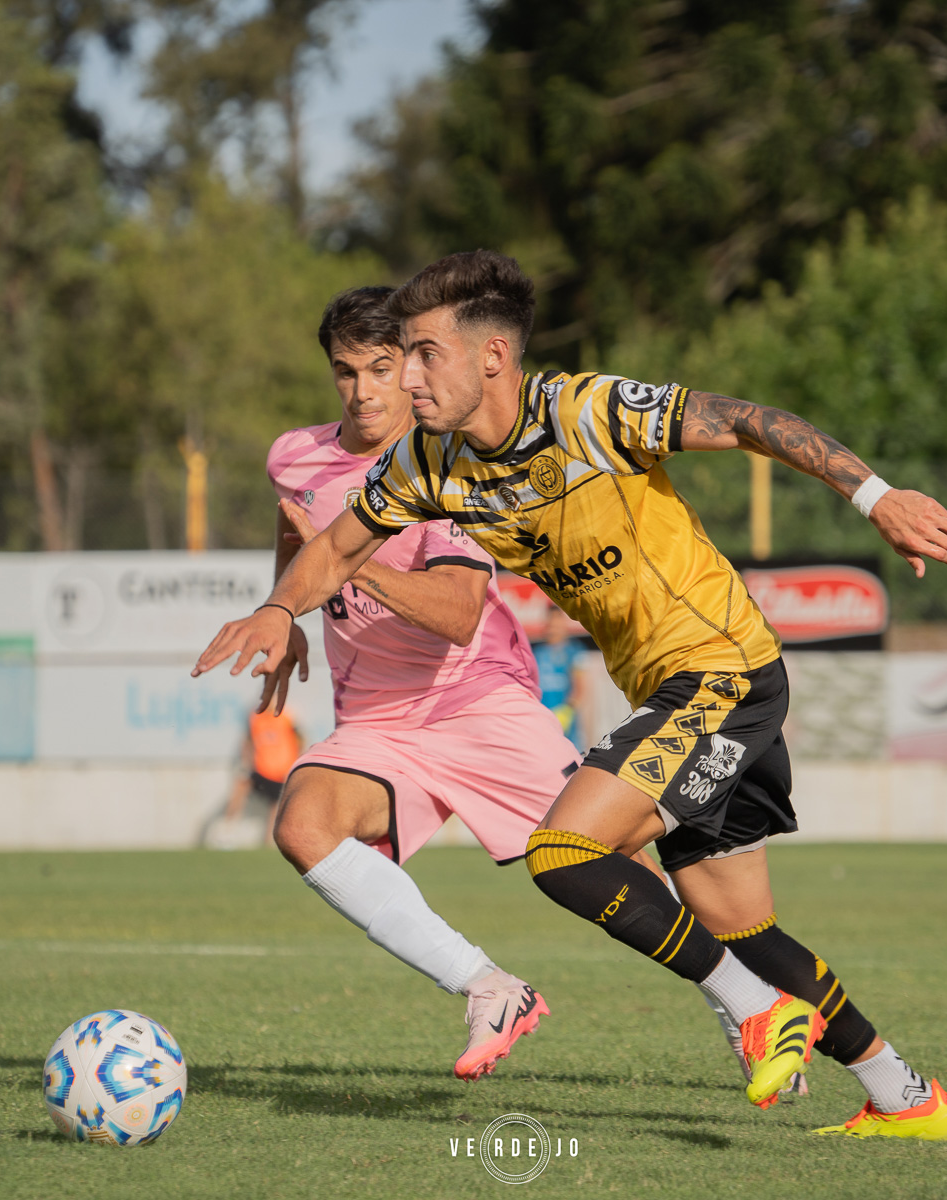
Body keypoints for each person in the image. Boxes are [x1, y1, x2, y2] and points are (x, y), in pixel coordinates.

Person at [197, 250, 947, 1136]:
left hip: (723, 673)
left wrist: (874, 496)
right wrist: (279, 607)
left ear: (490, 357)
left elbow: (750, 420)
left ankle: (755, 1012)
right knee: (742, 926)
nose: (406, 376)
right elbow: (333, 549)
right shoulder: (429, 464)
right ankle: (905, 1095)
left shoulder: (590, 411)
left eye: (421, 353)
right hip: (672, 688)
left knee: (562, 853)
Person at [253, 285, 579, 1081]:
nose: (363, 392)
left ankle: (751, 1006)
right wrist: (285, 609)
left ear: (412, 368)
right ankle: (488, 987)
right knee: (303, 824)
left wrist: (349, 555)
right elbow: (297, 529)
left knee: (614, 857)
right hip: (377, 719)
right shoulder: (295, 456)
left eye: (381, 368)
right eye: (345, 371)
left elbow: (459, 612)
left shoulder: (453, 463)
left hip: (479, 701)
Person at [221, 708, 301, 827]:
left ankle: (270, 841)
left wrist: (295, 764)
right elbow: (247, 742)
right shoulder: (256, 718)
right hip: (261, 770)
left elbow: (300, 740)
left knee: (275, 809)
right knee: (241, 786)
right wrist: (246, 762)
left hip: (280, 773)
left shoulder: (286, 717)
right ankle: (227, 828)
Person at [531, 606, 590, 747]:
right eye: (550, 624)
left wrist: (566, 712)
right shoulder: (537, 653)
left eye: (557, 624)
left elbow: (580, 688)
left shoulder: (575, 651)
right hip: (542, 721)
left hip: (567, 725)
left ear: (564, 625)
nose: (553, 628)